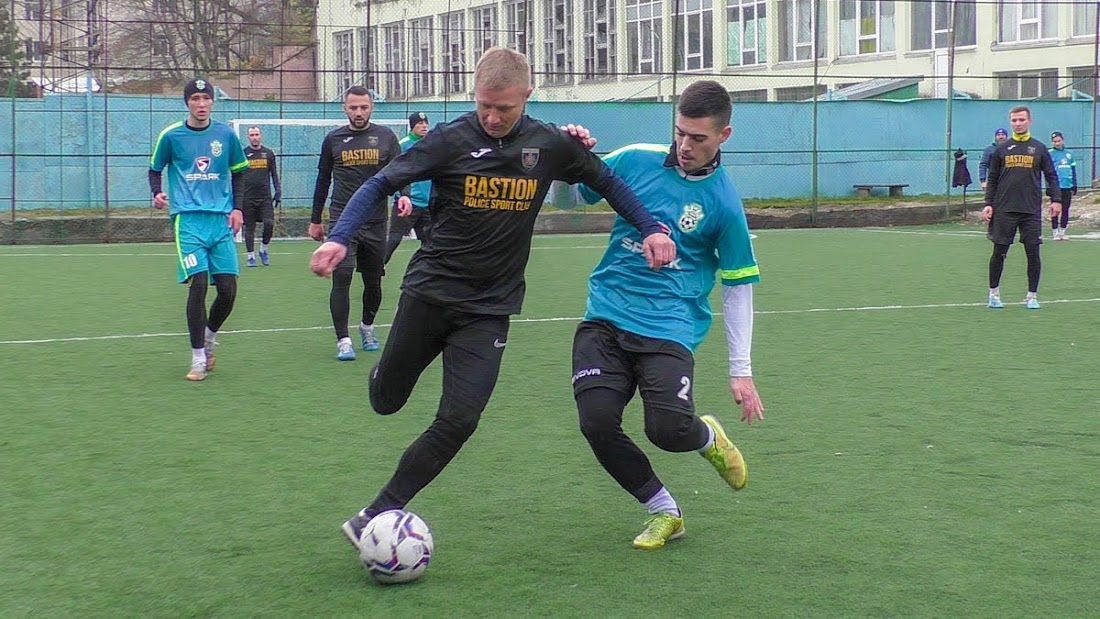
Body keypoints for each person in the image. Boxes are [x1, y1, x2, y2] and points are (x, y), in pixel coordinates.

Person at [308, 46, 677, 552]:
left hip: (489, 309)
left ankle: (378, 511)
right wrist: (341, 235)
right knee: (386, 401)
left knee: (460, 418)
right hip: (429, 296)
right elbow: (380, 181)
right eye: (485, 105)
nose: (493, 117)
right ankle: (384, 375)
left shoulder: (549, 144)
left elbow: (607, 181)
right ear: (473, 95)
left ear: (527, 96)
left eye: (504, 107)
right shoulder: (450, 140)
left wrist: (653, 228)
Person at [566, 80, 764, 550]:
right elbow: (575, 195)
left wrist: (742, 371)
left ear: (724, 136)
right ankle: (664, 510)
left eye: (699, 138)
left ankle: (706, 438)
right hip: (607, 314)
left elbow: (738, 288)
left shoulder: (724, 203)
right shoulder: (636, 159)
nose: (685, 146)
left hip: (670, 327)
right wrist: (572, 155)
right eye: (680, 133)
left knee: (668, 430)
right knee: (596, 421)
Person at [149, 77, 249, 381]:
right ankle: (196, 359)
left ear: (212, 103)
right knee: (199, 284)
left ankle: (208, 339)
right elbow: (155, 169)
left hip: (220, 221)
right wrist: (157, 193)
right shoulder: (171, 135)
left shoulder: (226, 135)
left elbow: (239, 174)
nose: (201, 104)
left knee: (229, 290)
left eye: (206, 99)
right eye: (195, 99)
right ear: (187, 103)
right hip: (187, 220)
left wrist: (237, 208)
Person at [309, 86, 402, 360]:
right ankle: (343, 339)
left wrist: (404, 196)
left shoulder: (386, 137)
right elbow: (323, 180)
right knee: (343, 277)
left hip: (375, 220)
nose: (358, 112)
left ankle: (367, 327)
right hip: (342, 222)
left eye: (363, 107)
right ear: (344, 108)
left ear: (371, 107)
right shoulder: (333, 140)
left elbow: (399, 173)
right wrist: (316, 219)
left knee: (373, 281)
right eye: (353, 108)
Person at [980, 106, 1061, 310]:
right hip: (1004, 209)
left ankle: (1032, 296)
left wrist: (1056, 200)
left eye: (1021, 120)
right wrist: (988, 203)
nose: (1018, 123)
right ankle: (994, 294)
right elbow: (992, 178)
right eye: (1014, 120)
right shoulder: (1001, 149)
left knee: (1033, 252)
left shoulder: (1040, 148)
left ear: (1029, 121)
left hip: (1031, 210)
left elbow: (1051, 176)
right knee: (999, 251)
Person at [383, 112, 433, 264]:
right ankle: (377, 268)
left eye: (425, 123)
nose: (424, 126)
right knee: (394, 238)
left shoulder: (432, 144)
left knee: (430, 243)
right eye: (419, 123)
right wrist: (401, 194)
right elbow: (393, 170)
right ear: (412, 127)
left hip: (427, 203)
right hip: (408, 202)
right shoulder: (403, 144)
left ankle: (429, 274)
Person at [241, 126, 282, 266]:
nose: (254, 137)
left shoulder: (268, 153)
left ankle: (263, 249)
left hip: (265, 197)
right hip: (248, 197)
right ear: (248, 137)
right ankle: (250, 256)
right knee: (249, 228)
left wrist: (278, 191)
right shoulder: (243, 154)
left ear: (261, 136)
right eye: (252, 135)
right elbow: (237, 176)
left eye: (256, 134)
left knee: (269, 224)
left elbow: (274, 174)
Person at [1049, 131, 1078, 241]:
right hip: (1056, 187)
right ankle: (1055, 231)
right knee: (1055, 209)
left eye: (1059, 141)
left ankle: (1062, 231)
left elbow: (1073, 169)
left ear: (1063, 140)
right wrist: (1049, 187)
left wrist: (1074, 184)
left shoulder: (1069, 154)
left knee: (1066, 209)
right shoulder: (1050, 153)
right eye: (1055, 141)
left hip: (1067, 186)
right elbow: (1048, 172)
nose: (1057, 143)